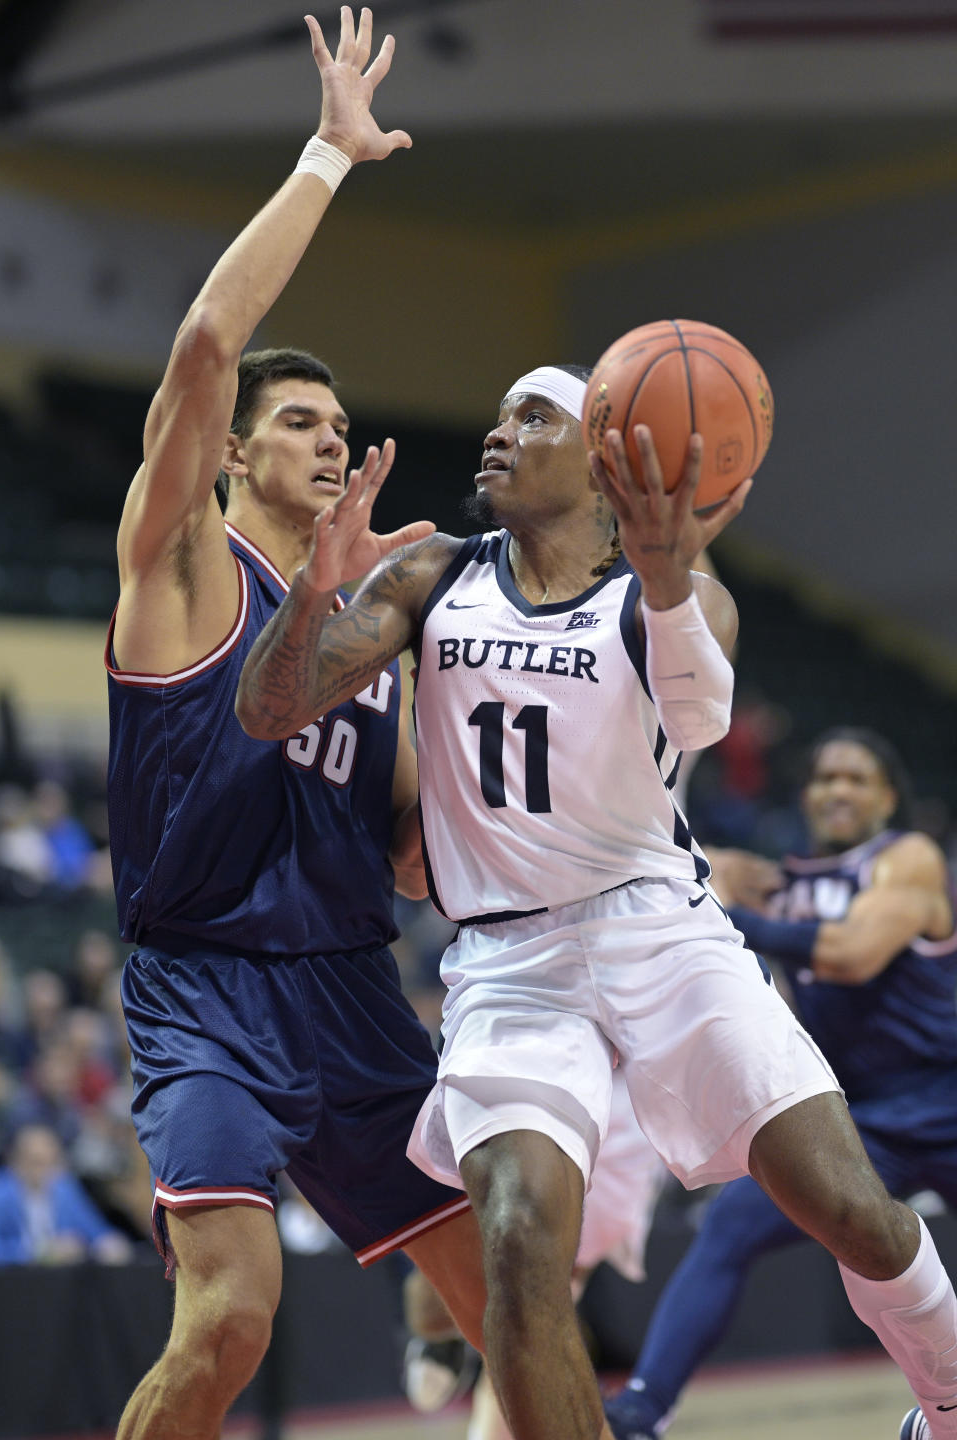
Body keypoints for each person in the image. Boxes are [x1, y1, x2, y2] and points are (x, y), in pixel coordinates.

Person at [235, 364, 957, 1440]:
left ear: (606, 459)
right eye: (498, 414)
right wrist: (310, 594)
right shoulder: (433, 575)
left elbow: (703, 716)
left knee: (851, 1210)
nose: (499, 432)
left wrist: (667, 583)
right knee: (523, 1249)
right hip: (510, 965)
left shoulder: (675, 595)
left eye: (533, 417)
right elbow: (267, 708)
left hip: (662, 934)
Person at [106, 12, 485, 1440]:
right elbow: (210, 338)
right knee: (233, 1318)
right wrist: (330, 151)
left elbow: (404, 861)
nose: (329, 438)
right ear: (238, 450)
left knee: (519, 1305)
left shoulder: (376, 635)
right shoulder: (190, 564)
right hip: (205, 984)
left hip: (353, 990)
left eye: (339, 424)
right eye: (299, 421)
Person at [605, 727, 957, 1440]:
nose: (838, 790)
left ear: (888, 797)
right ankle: (642, 1410)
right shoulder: (782, 878)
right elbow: (676, 867)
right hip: (863, 1116)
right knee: (730, 1226)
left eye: (857, 779)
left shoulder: (906, 858)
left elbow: (855, 954)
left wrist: (723, 923)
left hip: (946, 1097)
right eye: (826, 778)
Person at [403, 1066, 669, 1439]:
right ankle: (437, 1339)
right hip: (526, 1053)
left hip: (620, 1098)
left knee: (540, 1292)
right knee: (472, 1281)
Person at [0, 1122, 132, 1266]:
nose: (46, 1171)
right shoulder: (2, 1193)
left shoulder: (64, 1189)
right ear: (18, 1161)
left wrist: (108, 1242)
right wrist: (37, 1251)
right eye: (37, 1162)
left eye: (52, 1162)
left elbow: (94, 1229)